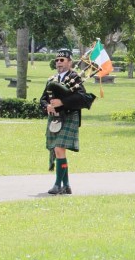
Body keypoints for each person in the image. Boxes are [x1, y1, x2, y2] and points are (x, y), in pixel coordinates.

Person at [40, 49, 95, 195]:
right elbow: (43, 99)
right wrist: (48, 106)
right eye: (57, 60)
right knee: (59, 150)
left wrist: (62, 102)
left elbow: (83, 98)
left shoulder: (75, 79)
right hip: (54, 118)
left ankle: (58, 185)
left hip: (69, 116)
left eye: (62, 60)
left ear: (69, 62)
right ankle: (67, 185)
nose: (59, 62)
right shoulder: (52, 79)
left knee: (59, 148)